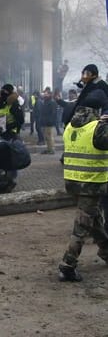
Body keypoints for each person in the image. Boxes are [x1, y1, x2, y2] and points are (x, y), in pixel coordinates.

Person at [58, 106, 108, 282]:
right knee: (82, 225)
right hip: (91, 183)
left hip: (73, 182)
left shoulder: (70, 127)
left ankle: (106, 251)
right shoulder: (98, 128)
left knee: (94, 220)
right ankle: (67, 265)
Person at [0, 84, 25, 193]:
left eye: (4, 91)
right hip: (0, 135)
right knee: (0, 160)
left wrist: (7, 127)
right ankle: (3, 182)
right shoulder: (1, 103)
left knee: (9, 160)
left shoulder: (14, 104)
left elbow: (20, 121)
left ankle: (8, 183)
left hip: (11, 136)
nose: (1, 93)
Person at [40, 88, 57, 154]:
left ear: (49, 94)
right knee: (47, 136)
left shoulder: (52, 102)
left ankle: (51, 149)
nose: (44, 94)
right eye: (44, 93)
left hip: (49, 122)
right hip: (46, 121)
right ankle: (48, 148)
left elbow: (53, 113)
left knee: (49, 136)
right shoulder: (46, 101)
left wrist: (50, 120)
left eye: (46, 93)